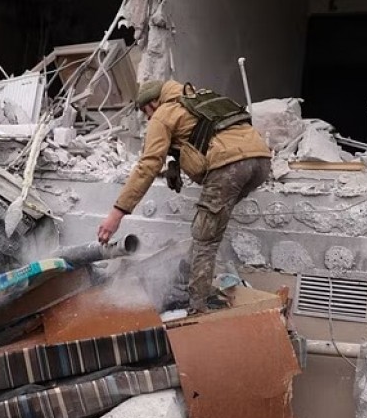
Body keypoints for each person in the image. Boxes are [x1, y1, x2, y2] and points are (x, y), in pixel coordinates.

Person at [98, 79, 272, 313]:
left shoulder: (163, 114)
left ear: (153, 103)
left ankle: (197, 308)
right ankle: (185, 277)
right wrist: (175, 166)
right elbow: (203, 135)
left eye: (146, 112)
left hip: (229, 166)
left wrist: (117, 213)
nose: (148, 119)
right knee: (210, 225)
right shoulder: (200, 99)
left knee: (205, 238)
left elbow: (148, 165)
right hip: (260, 161)